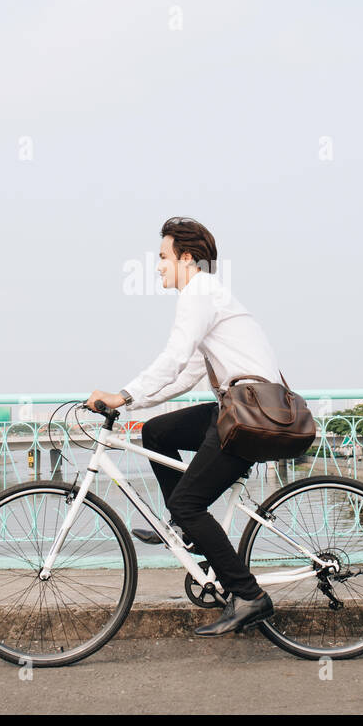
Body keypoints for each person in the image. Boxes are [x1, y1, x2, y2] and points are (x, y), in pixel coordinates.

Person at [86, 216, 282, 636]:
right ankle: (187, 530)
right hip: (238, 408)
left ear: (186, 257)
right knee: (156, 433)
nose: (157, 266)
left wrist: (121, 394)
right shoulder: (209, 296)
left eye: (162, 257)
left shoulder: (200, 291)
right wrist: (132, 401)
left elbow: (174, 357)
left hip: (249, 414)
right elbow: (187, 372)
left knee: (188, 502)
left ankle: (248, 596)